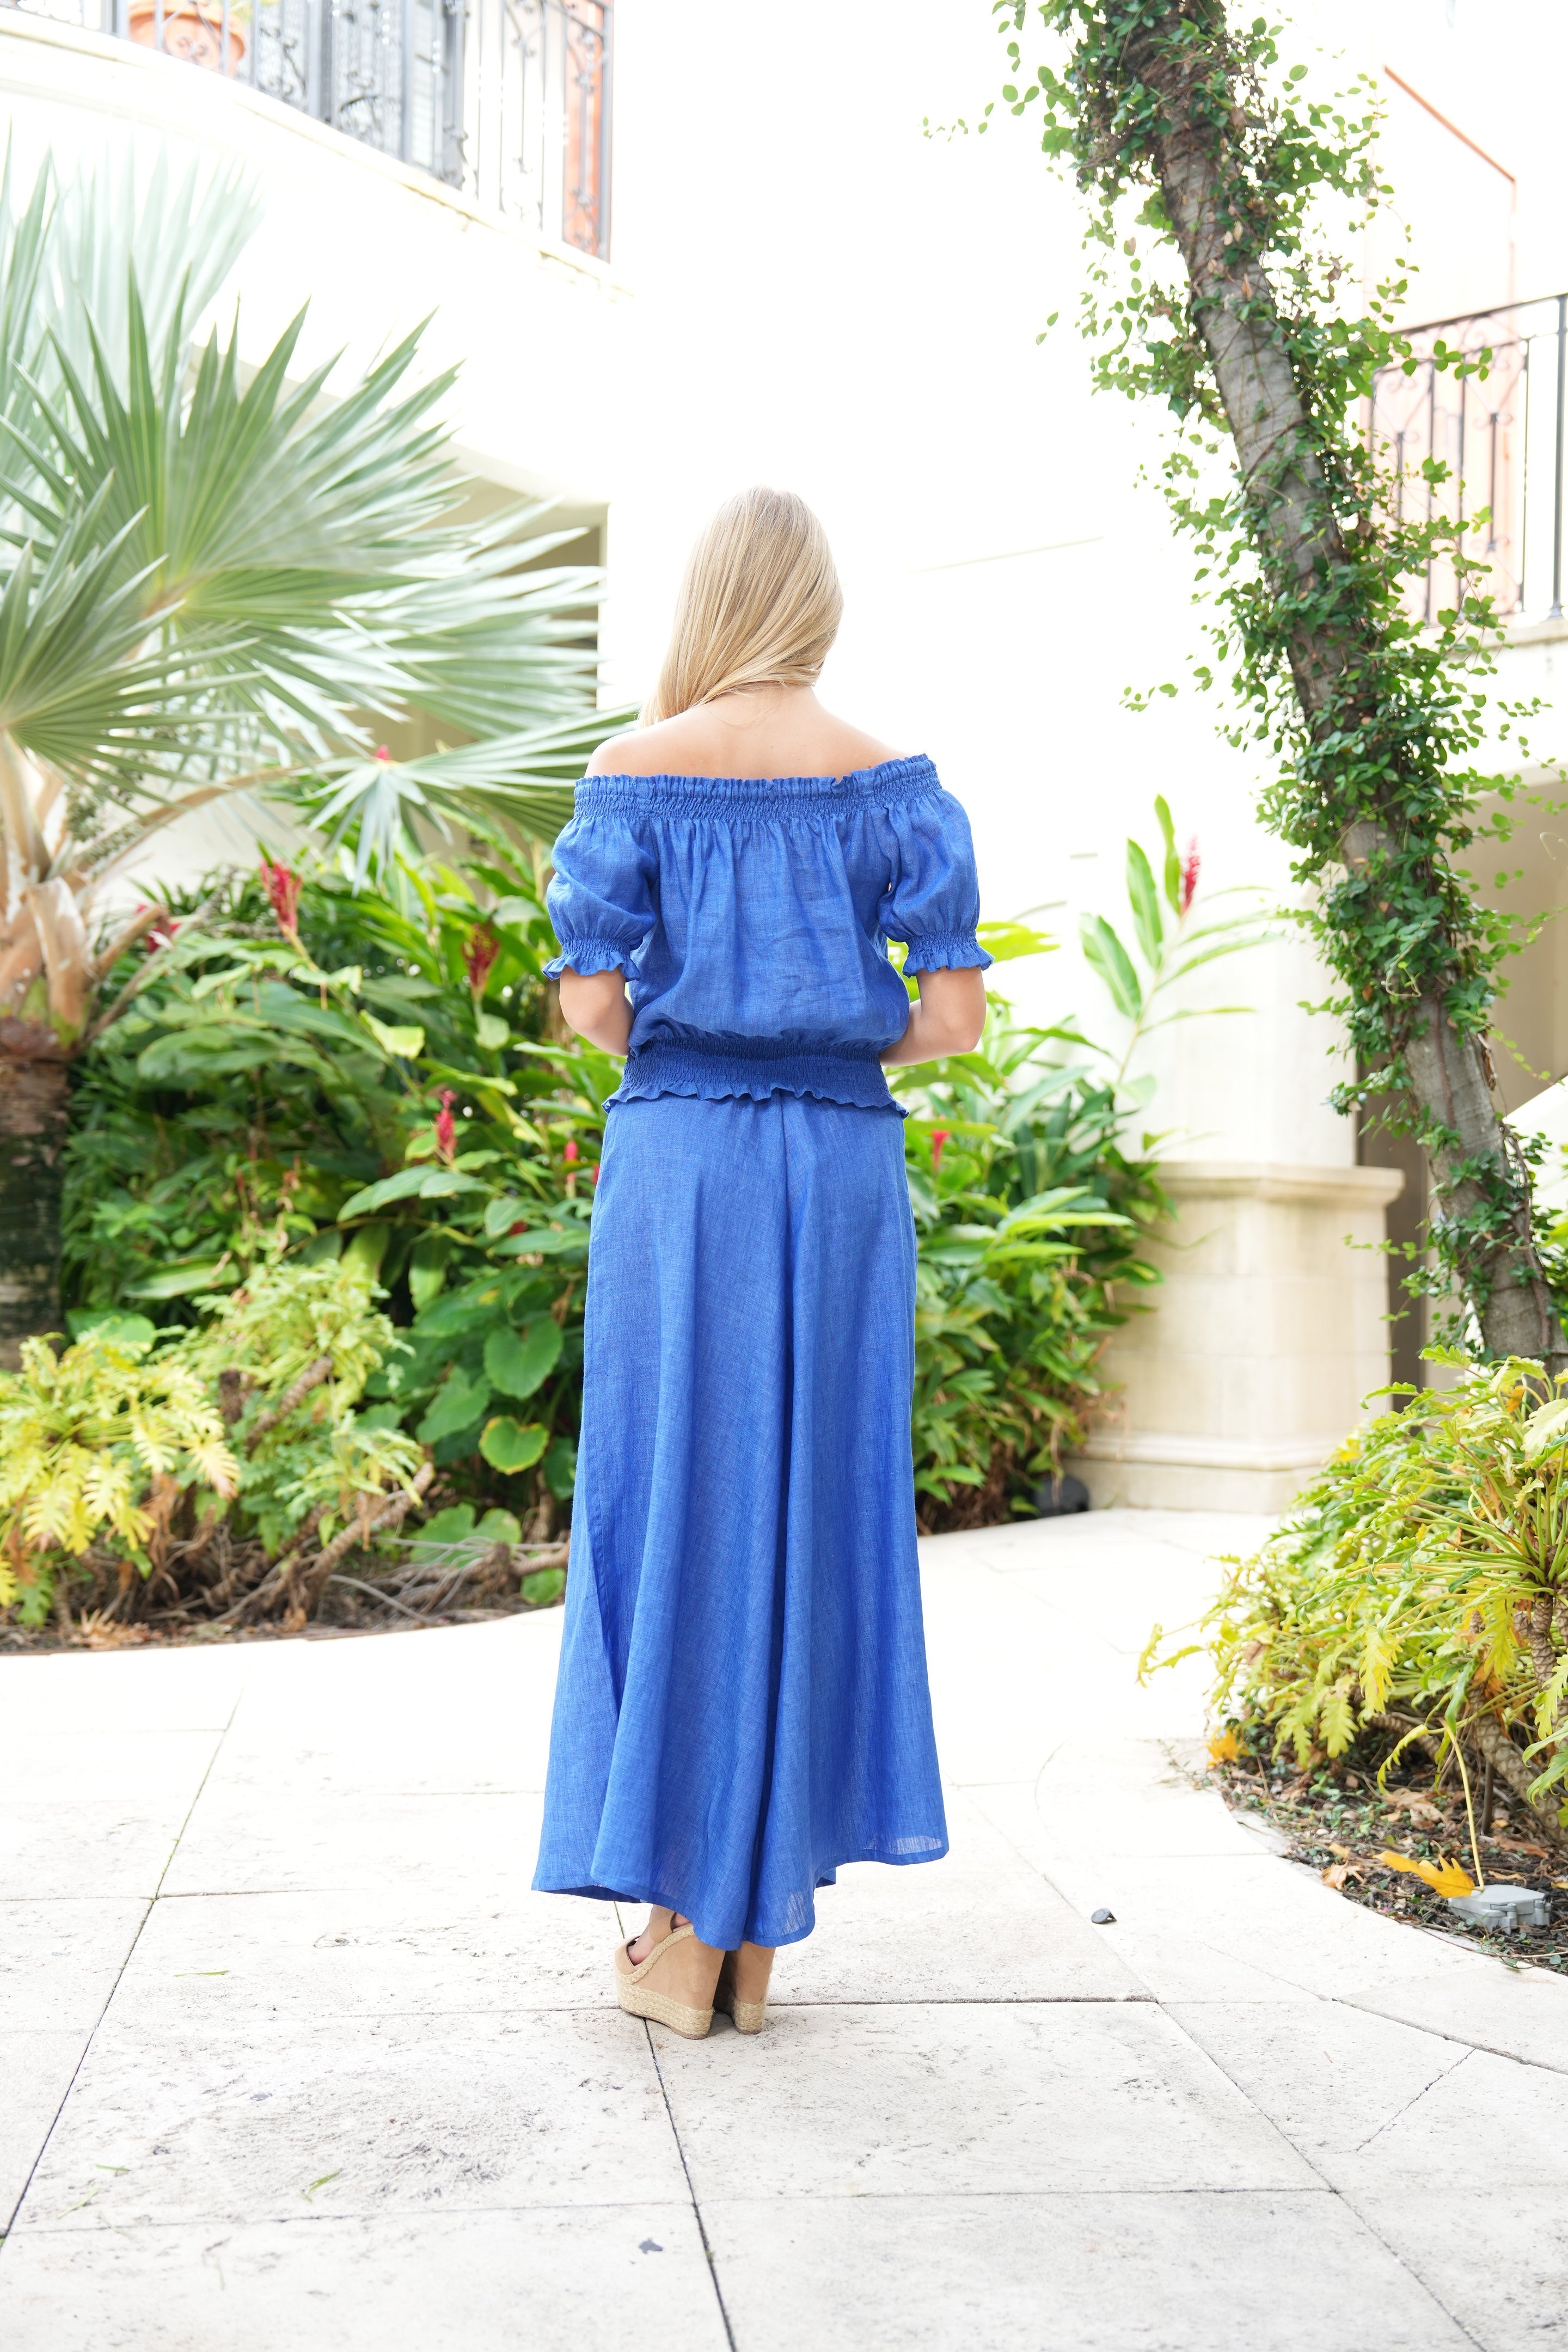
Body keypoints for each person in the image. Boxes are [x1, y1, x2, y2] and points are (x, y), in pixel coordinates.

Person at [531, 486, 990, 2037]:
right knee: (812, 1502)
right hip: (841, 1163)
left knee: (672, 1497)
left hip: (684, 1161)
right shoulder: (895, 785)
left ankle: (679, 1924)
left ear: (712, 602)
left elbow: (595, 1007)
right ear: (820, 607)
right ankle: (752, 1927)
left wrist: (710, 1033)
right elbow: (952, 1018)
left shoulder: (634, 772)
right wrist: (827, 1038)